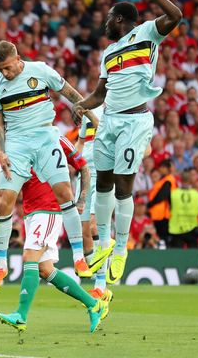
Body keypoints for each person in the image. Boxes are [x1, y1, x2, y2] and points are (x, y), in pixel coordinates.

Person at [74, 0, 182, 284]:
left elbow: (176, 16)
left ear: (119, 18)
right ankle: (105, 245)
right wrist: (81, 105)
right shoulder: (108, 53)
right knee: (104, 184)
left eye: (109, 18)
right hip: (108, 120)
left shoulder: (147, 33)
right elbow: (100, 93)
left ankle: (121, 248)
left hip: (134, 122)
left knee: (124, 186)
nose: (105, 23)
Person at [0, 40, 98, 293]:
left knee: (65, 194)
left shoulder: (41, 70)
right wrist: (1, 151)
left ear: (17, 59)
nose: (4, 73)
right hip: (16, 143)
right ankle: (0, 265)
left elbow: (71, 94)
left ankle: (79, 256)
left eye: (7, 67)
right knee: (4, 200)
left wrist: (93, 119)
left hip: (46, 137)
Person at [0, 163, 109, 333]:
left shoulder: (54, 140)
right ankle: (94, 305)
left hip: (48, 210)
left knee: (29, 258)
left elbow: (83, 167)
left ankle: (21, 315)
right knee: (45, 269)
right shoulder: (19, 147)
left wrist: (81, 200)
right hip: (31, 213)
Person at [75, 105, 112, 297]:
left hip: (104, 173)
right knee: (84, 232)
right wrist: (71, 161)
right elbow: (81, 143)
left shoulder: (119, 111)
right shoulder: (90, 112)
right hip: (83, 175)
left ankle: (100, 283)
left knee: (96, 225)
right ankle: (100, 276)